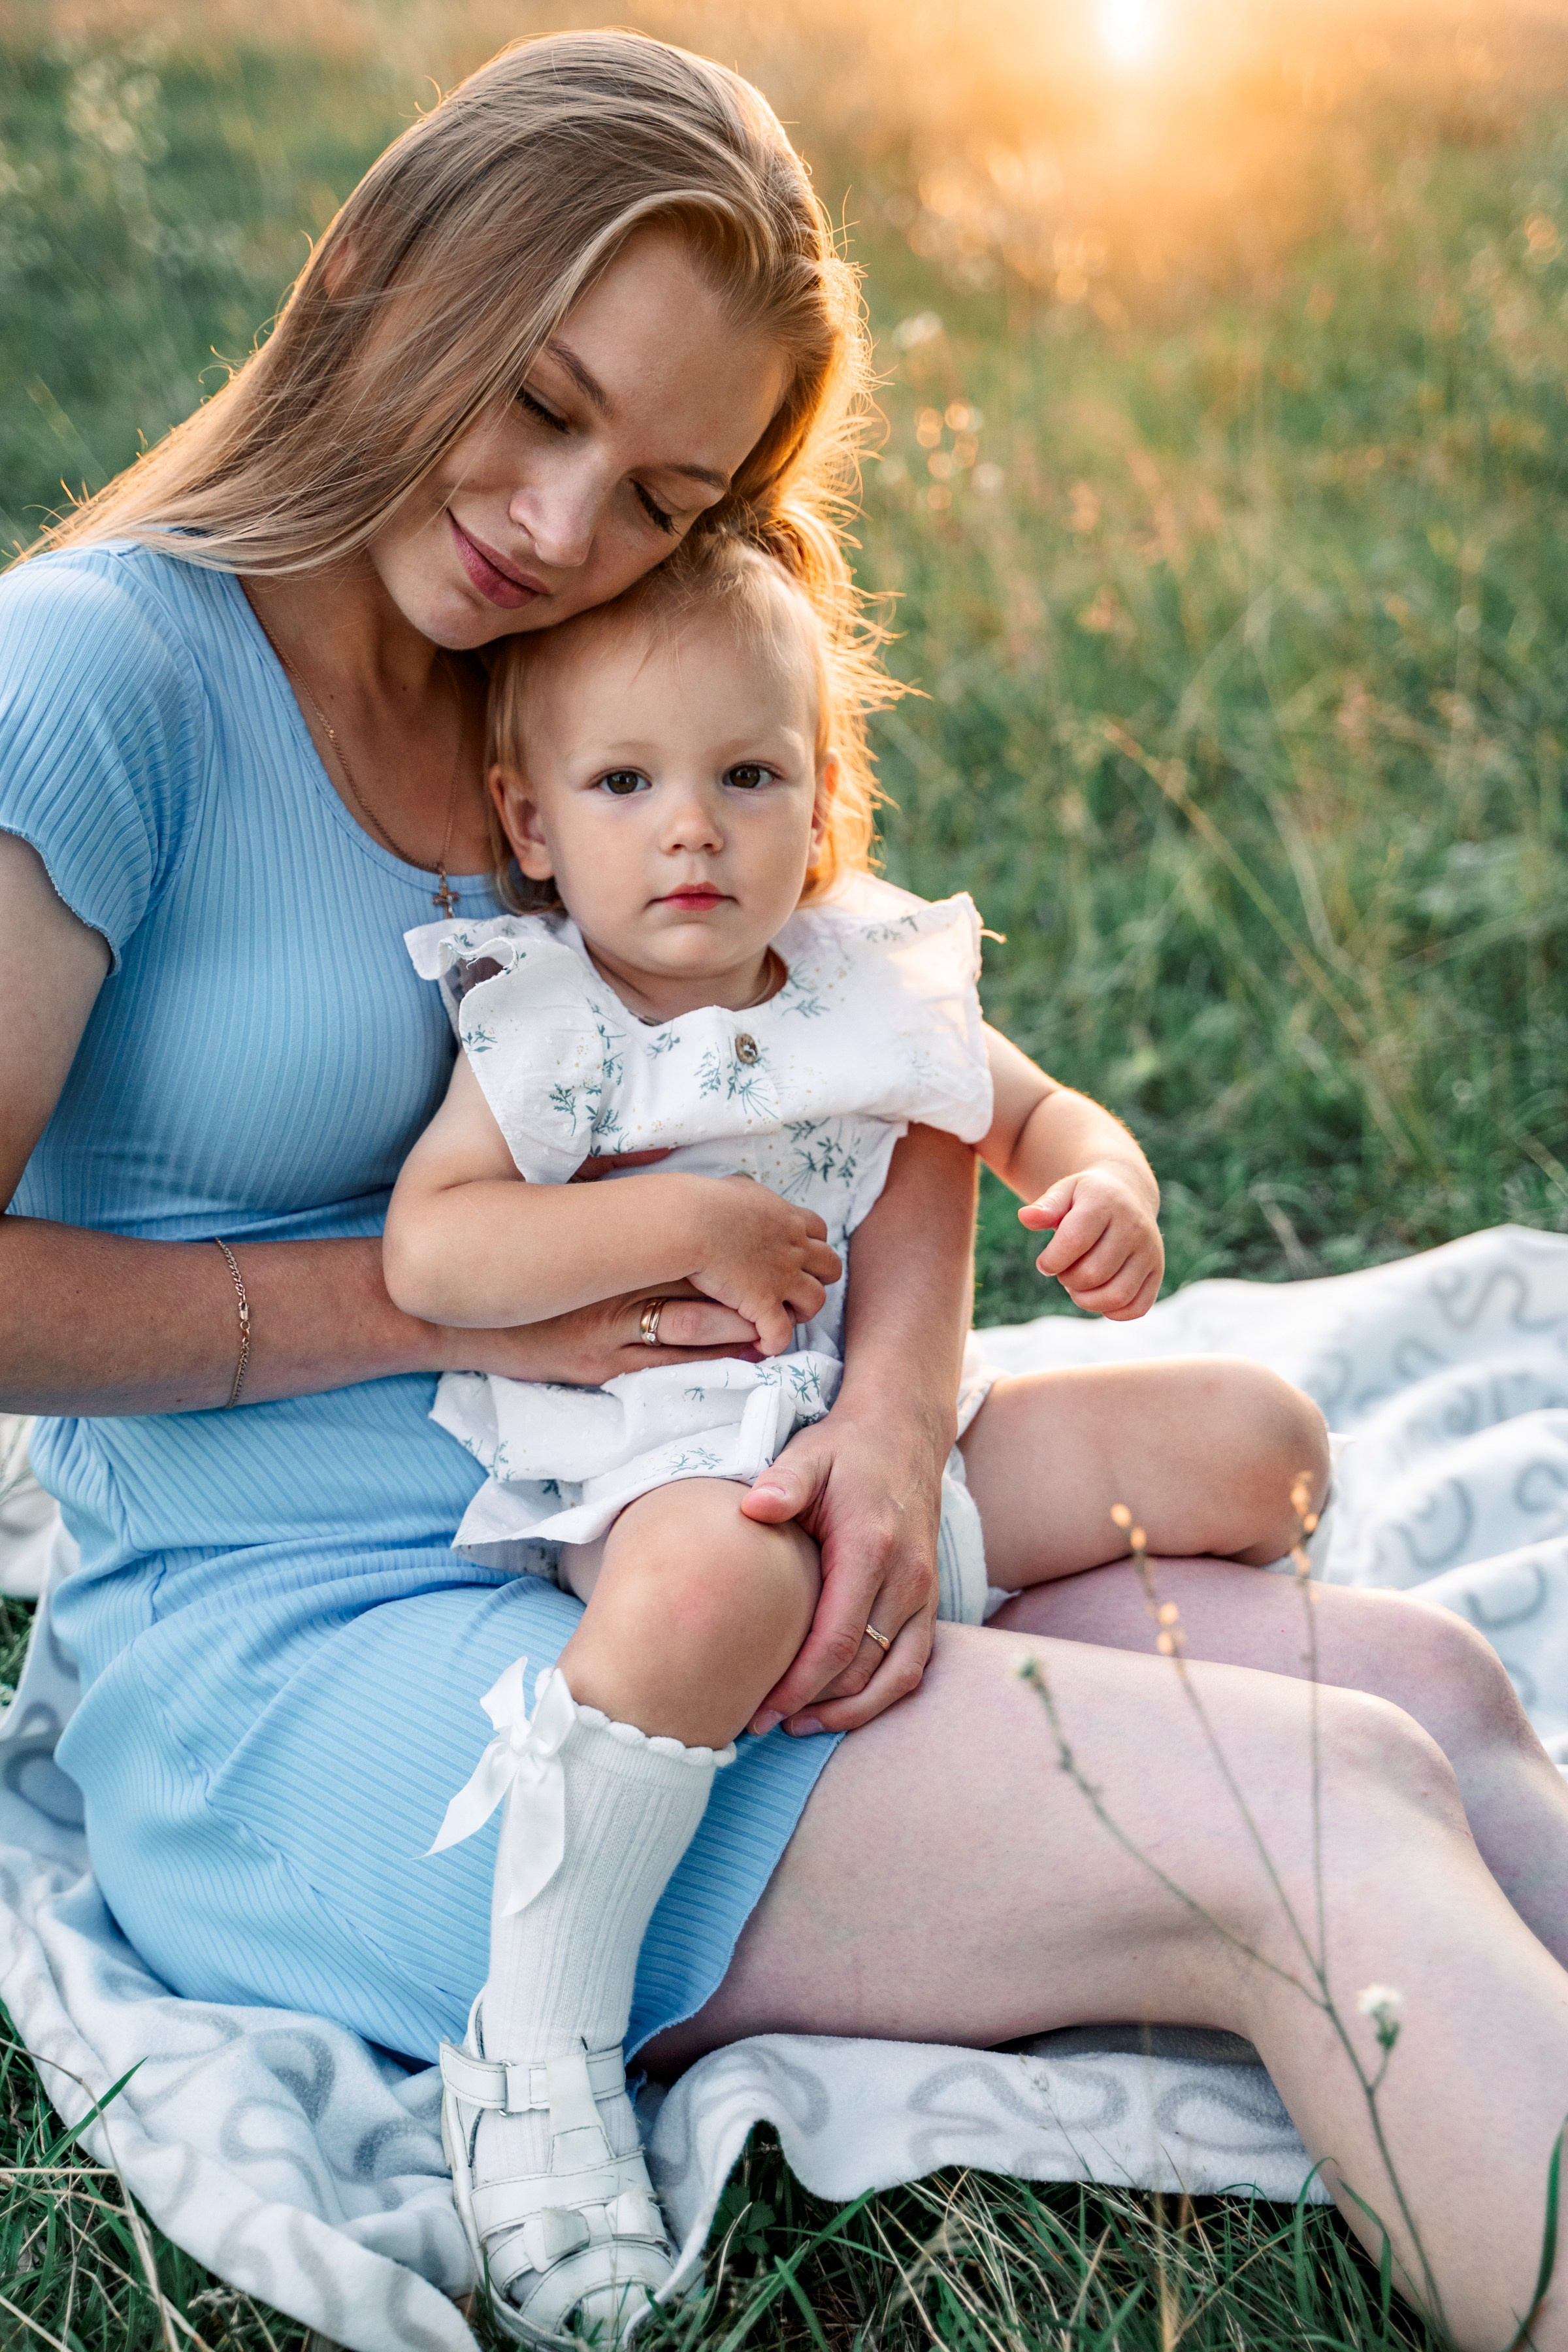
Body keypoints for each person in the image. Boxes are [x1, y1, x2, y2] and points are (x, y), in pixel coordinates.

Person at [1, 29, 1566, 2352]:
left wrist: (893, 1415)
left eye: (658, 491)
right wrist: (448, 1314)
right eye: (534, 401)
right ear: (373, 268)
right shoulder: (99, 677)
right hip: (315, 1661)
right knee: (1305, 1822)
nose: (559, 521)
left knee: (1423, 1694)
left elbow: (870, 1068)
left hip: (669, 1504)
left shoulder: (567, 680)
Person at [380, 530, 1328, 2336]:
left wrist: (1103, 1178)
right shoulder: (556, 1027)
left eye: (748, 775)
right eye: (626, 783)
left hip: (897, 1431)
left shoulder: (860, 970)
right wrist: (673, 1225)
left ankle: (959, 1612)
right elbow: (435, 1246)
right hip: (677, 1453)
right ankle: (539, 2041)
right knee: (705, 1601)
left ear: (816, 795)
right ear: (529, 820)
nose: (692, 831)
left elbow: (1033, 1115)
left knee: (1257, 1434)